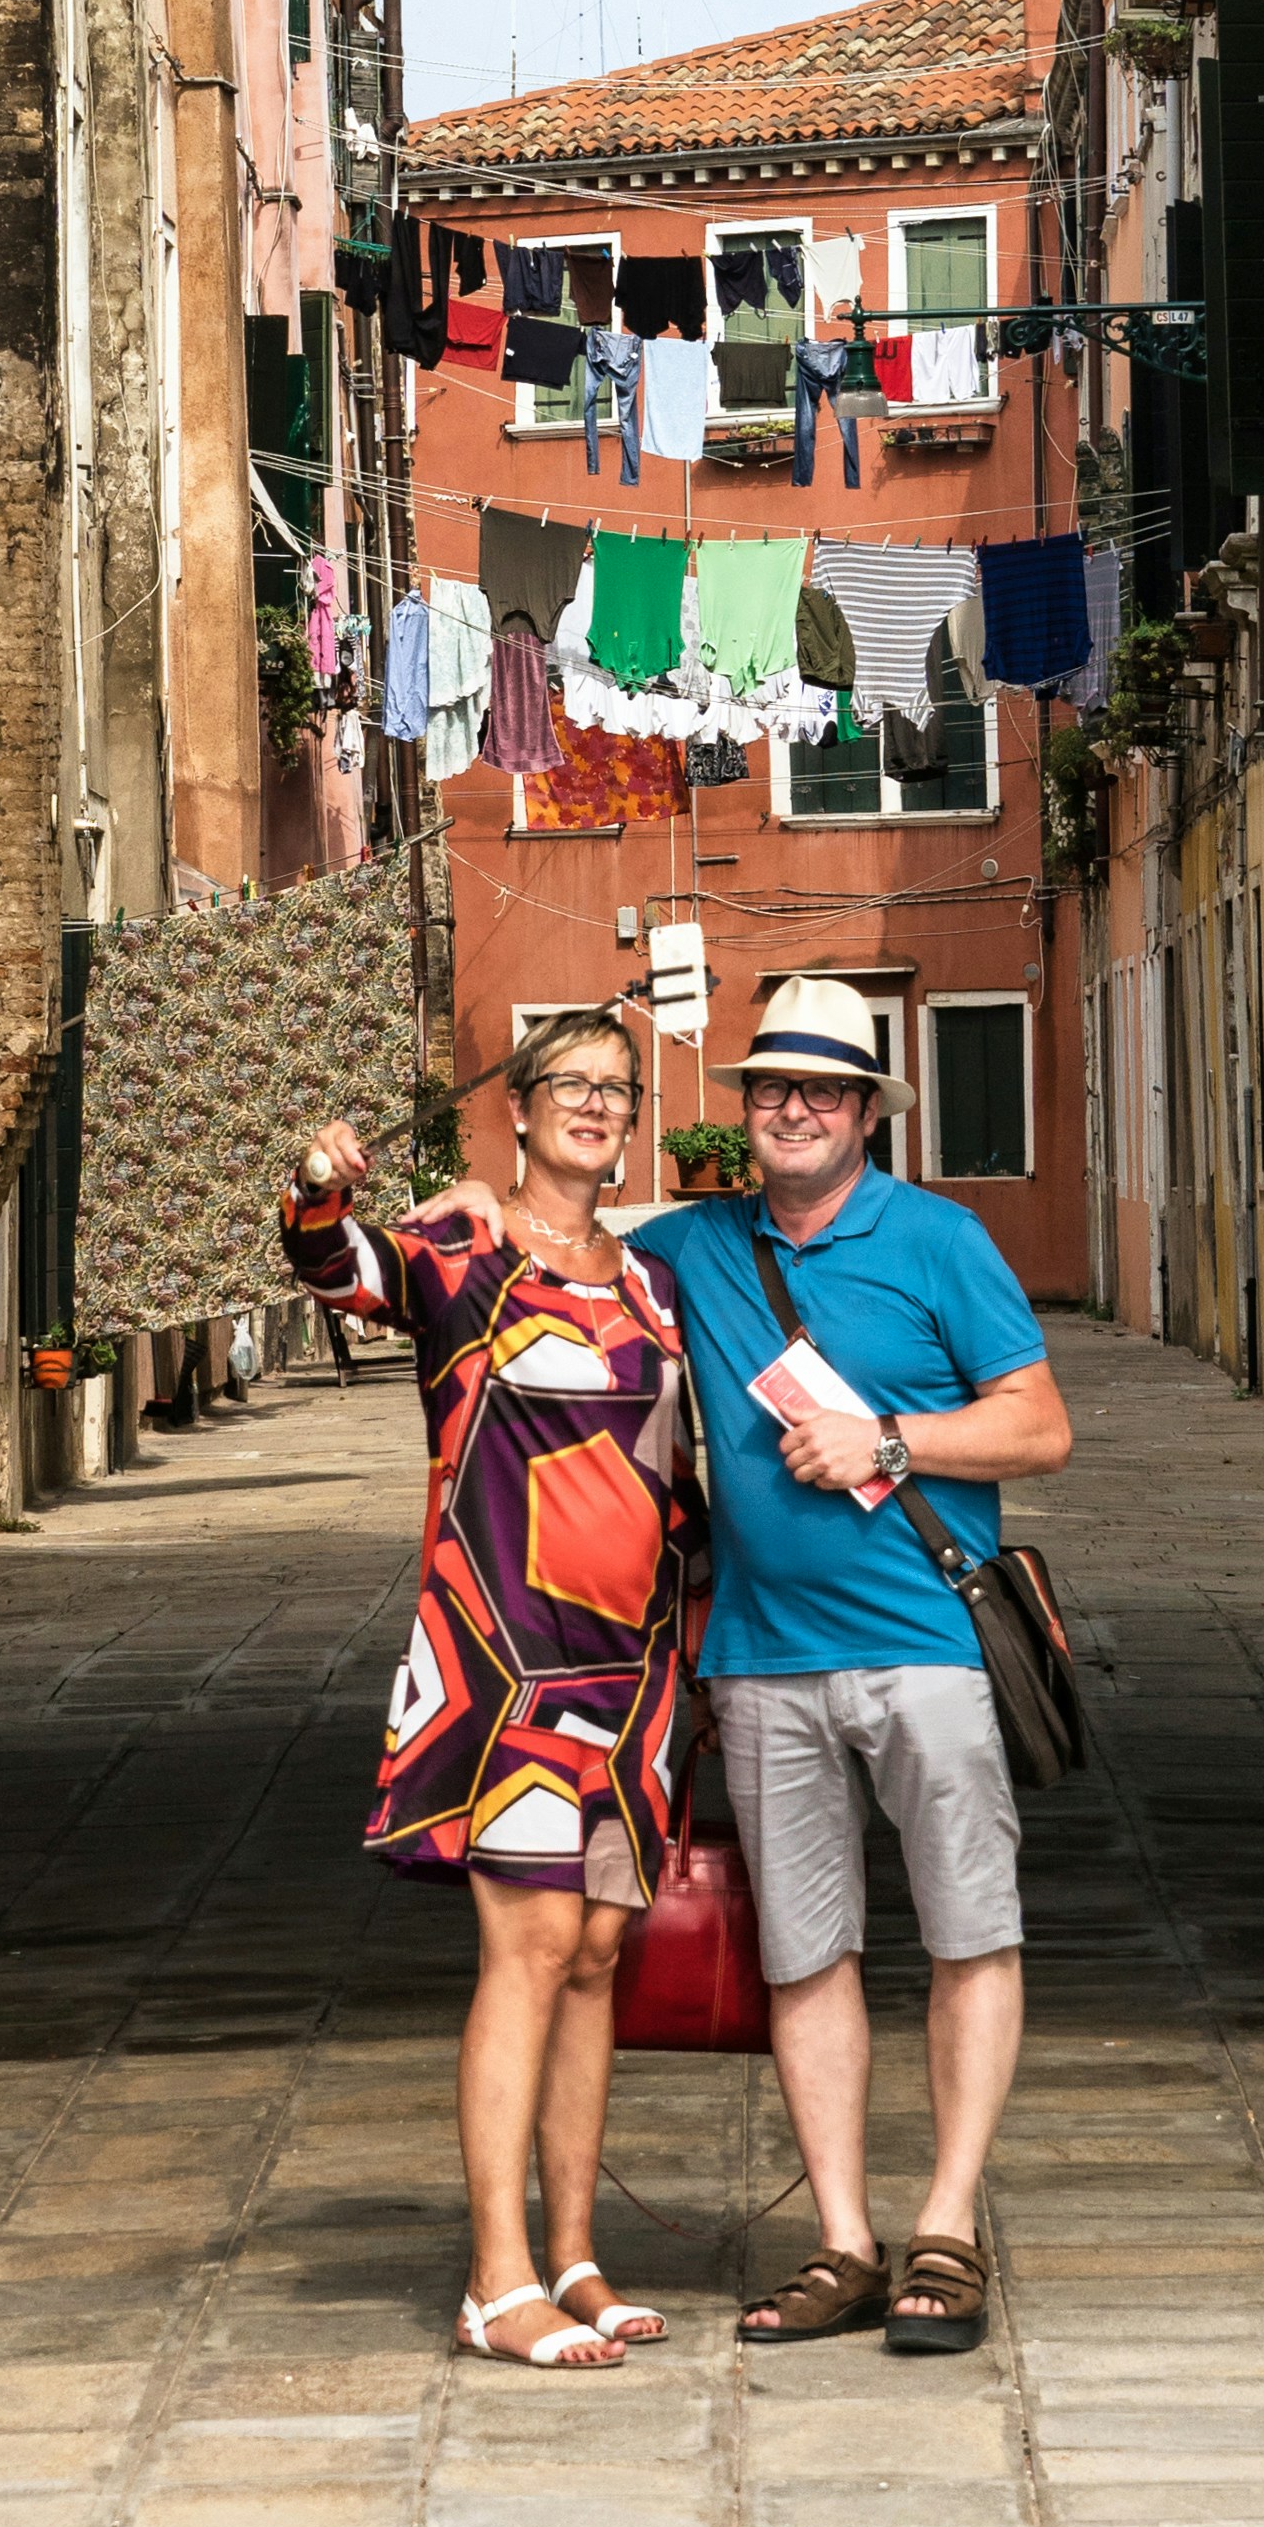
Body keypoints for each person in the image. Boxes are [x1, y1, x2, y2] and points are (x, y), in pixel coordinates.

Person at [429, 972, 1068, 2353]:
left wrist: (894, 1441)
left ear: (864, 1113)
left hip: (927, 1648)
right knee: (805, 1955)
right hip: (764, 1665)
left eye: (824, 1091)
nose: (796, 1109)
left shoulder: (943, 1241)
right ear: (746, 1112)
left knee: (970, 1935)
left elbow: (1039, 1428)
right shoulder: (693, 1252)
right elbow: (560, 1242)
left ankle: (947, 2229)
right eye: (774, 1087)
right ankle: (843, 2238)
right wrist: (479, 1202)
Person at [282, 1006, 706, 2370]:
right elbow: (332, 1263)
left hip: (633, 1676)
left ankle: (575, 2257)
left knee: (595, 1959)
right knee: (526, 1953)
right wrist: (320, 1178)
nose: (594, 1105)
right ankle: (495, 2278)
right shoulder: (458, 1253)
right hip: (501, 1665)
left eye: (615, 1089)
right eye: (566, 1084)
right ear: (514, 1110)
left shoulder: (650, 1282)